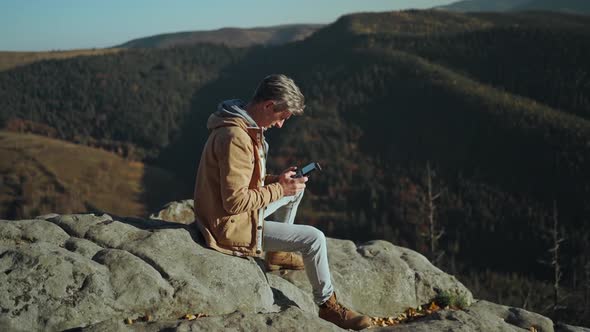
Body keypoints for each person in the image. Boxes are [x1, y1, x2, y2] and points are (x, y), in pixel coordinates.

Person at [193, 74, 372, 330]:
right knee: (314, 239)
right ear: (268, 106)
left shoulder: (241, 124)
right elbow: (234, 201)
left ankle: (277, 254)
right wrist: (278, 188)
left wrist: (276, 181)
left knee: (294, 189)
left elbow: (240, 180)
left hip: (228, 213)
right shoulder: (236, 138)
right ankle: (328, 306)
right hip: (227, 226)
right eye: (282, 117)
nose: (280, 125)